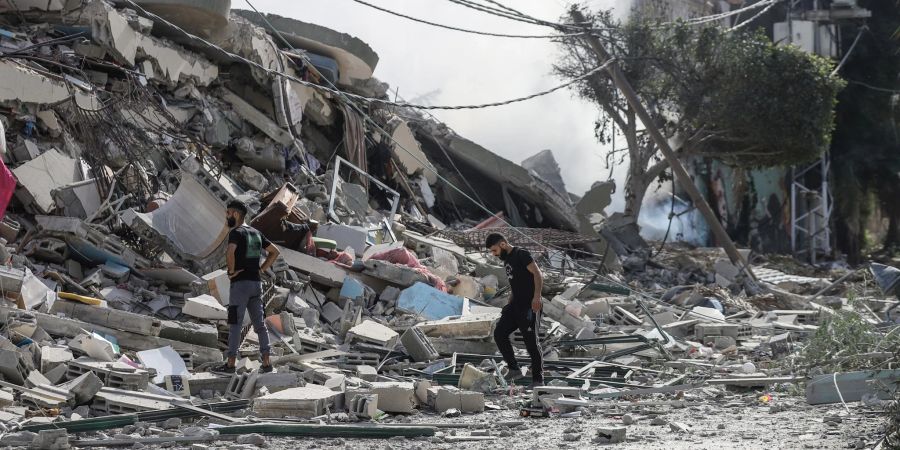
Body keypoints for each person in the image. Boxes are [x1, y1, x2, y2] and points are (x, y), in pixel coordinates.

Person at [215, 200, 280, 373]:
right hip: (256, 284)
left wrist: (231, 271)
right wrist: (261, 269)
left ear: (236, 214)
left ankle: (230, 364)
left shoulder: (236, 232)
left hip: (240, 285)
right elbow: (275, 252)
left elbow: (230, 252)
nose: (226, 216)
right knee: (260, 325)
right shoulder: (257, 233)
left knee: (235, 323)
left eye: (228, 213)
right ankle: (266, 362)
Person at [486, 232, 544, 386]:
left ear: (503, 244)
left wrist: (537, 297)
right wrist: (510, 299)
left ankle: (538, 379)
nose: (494, 254)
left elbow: (537, 275)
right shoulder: (507, 260)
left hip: (530, 305)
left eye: (494, 250)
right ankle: (514, 369)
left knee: (531, 342)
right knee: (499, 333)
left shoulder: (521, 254)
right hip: (515, 305)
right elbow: (516, 281)